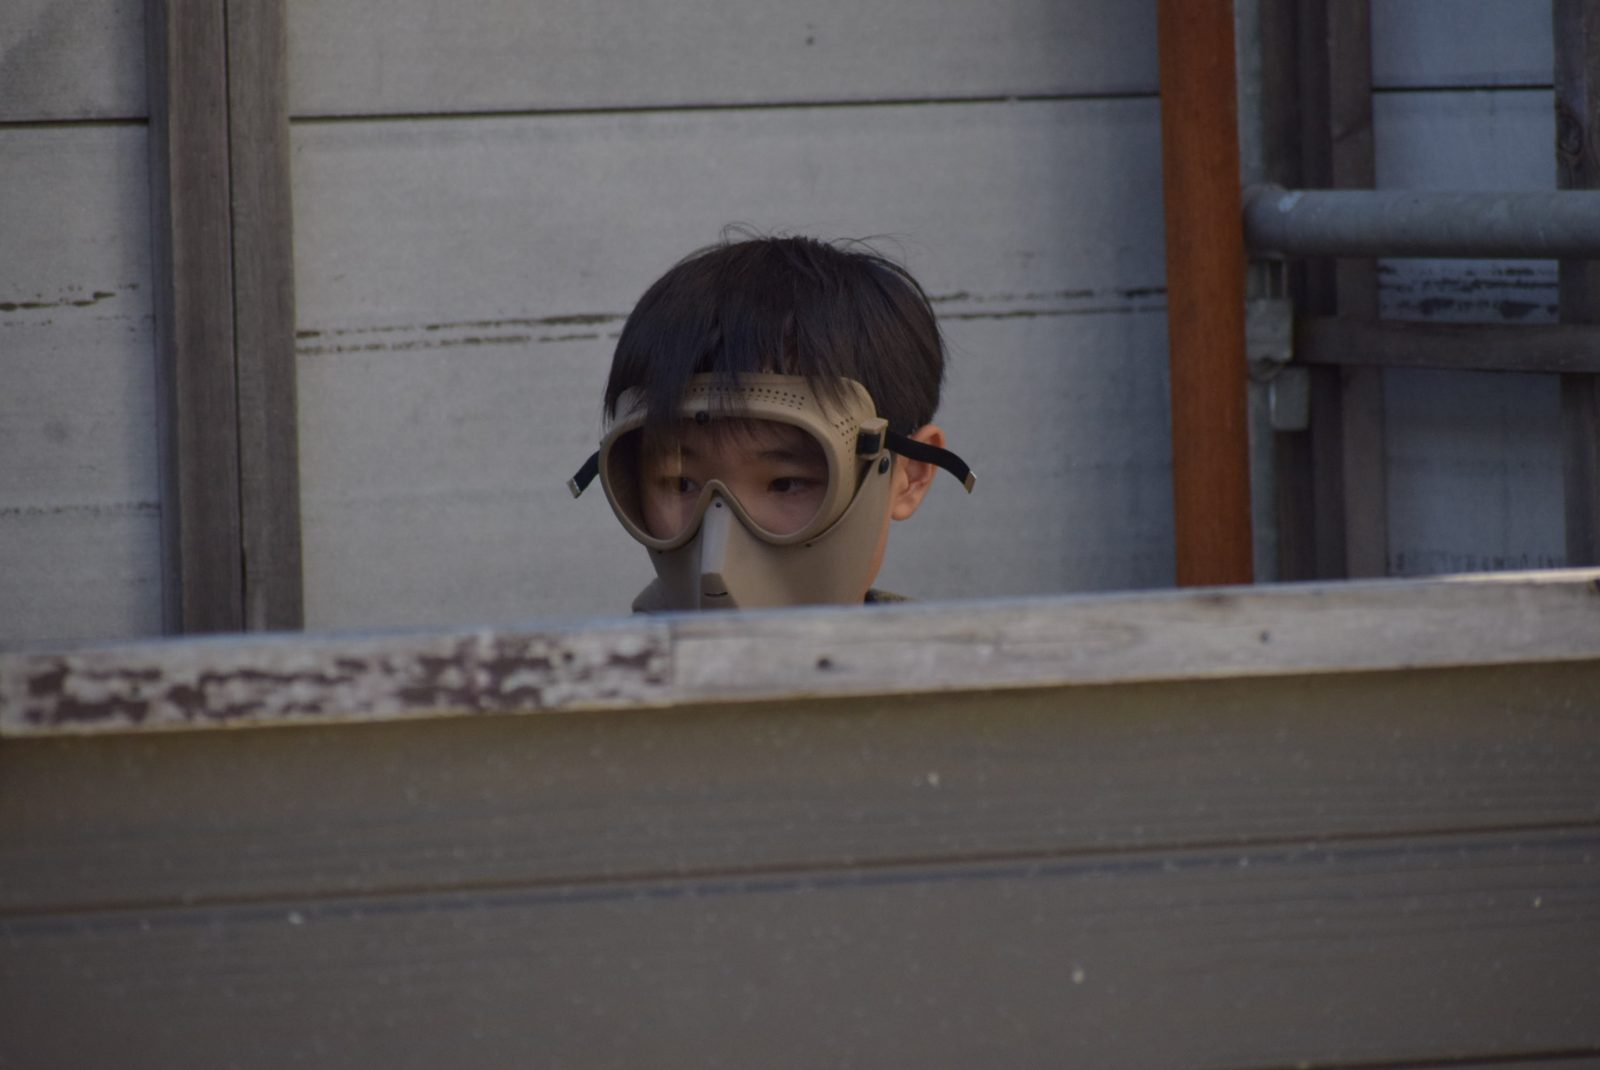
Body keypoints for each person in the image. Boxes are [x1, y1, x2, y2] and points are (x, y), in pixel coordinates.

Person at [568, 234, 975, 612]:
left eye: (785, 484)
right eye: (681, 484)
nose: (715, 562)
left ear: (911, 475)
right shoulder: (579, 669)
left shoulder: (968, 667)